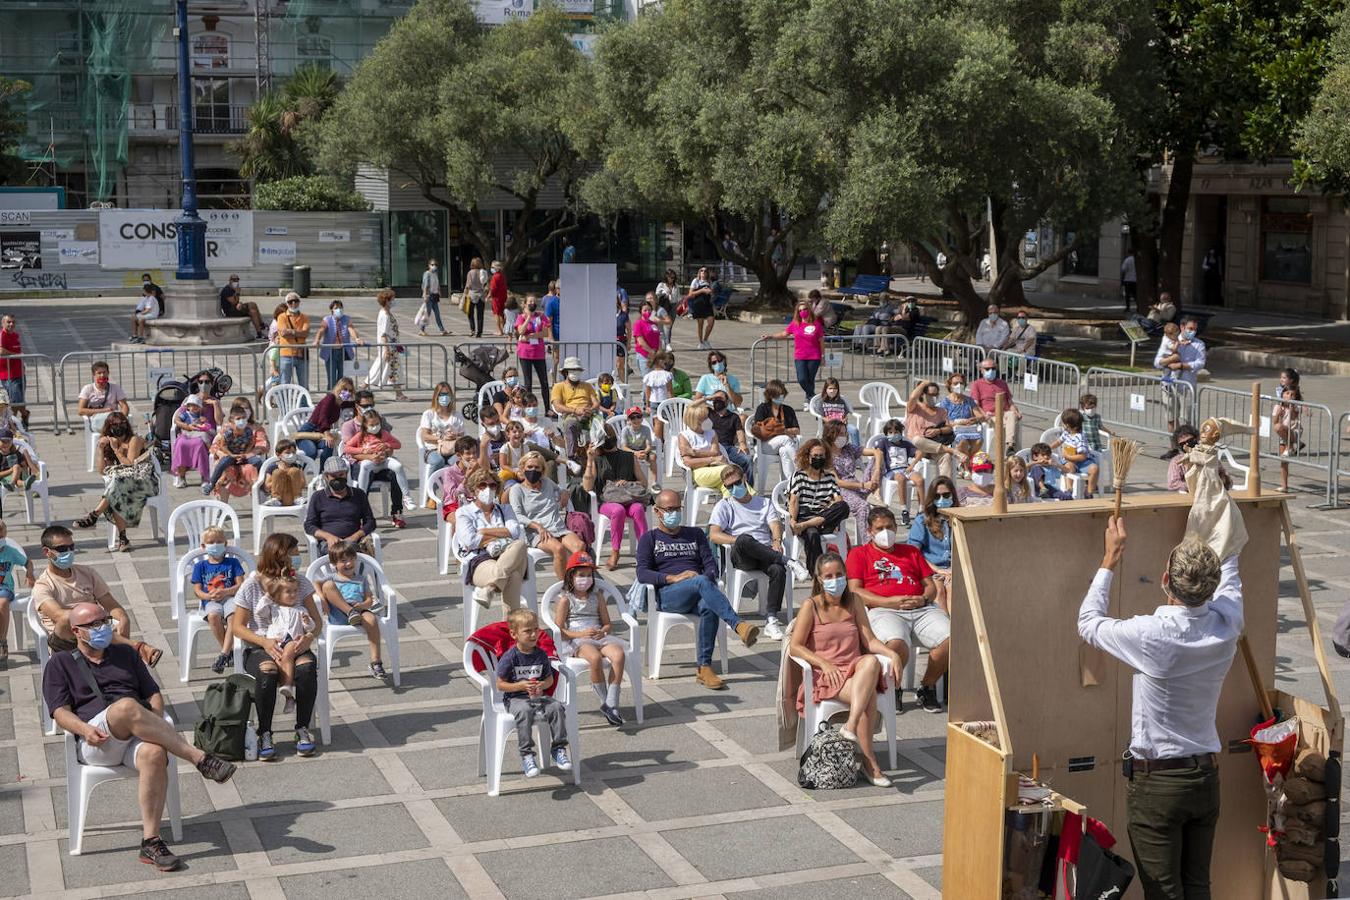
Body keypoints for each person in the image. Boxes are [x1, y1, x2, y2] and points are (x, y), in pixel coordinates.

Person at [1078, 518, 1240, 898]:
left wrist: (1110, 558)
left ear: (1165, 579)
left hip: (1159, 784)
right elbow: (1231, 563)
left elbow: (1088, 624)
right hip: (1203, 778)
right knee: (1198, 886)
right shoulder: (1228, 624)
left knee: (1164, 892)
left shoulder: (1153, 634)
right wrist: (1213, 504)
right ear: (1212, 588)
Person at [44, 601, 237, 870]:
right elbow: (59, 712)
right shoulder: (60, 664)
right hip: (96, 741)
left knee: (155, 752)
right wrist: (84, 729)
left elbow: (153, 695)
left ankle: (151, 841)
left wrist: (155, 722)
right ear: (77, 631)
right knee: (125, 707)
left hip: (134, 736)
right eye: (95, 624)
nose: (103, 628)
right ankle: (199, 758)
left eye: (105, 621)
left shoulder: (125, 654)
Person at [790, 552, 902, 786]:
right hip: (827, 676)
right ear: (819, 579)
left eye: (839, 574)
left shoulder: (854, 602)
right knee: (869, 694)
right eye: (829, 576)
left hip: (854, 671)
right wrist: (823, 663)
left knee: (870, 661)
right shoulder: (811, 606)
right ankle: (869, 762)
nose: (835, 580)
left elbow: (869, 640)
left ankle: (850, 727)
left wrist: (891, 653)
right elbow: (795, 647)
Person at [636, 489, 760, 690]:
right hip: (669, 595)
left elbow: (711, 565)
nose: (674, 513)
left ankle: (704, 667)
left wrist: (706, 578)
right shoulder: (649, 539)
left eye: (678, 508)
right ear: (657, 512)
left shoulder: (695, 534)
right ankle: (738, 625)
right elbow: (643, 573)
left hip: (698, 590)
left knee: (708, 605)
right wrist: (673, 578)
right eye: (669, 509)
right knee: (701, 581)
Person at [230, 533, 323, 760]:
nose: (298, 558)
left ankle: (302, 728)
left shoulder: (299, 582)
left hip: (295, 643)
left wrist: (309, 637)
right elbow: (237, 627)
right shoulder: (251, 586)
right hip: (260, 645)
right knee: (267, 671)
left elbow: (317, 620)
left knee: (307, 668)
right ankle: (265, 733)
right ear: (279, 556)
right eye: (294, 554)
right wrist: (264, 642)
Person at [847, 506, 948, 713]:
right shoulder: (859, 554)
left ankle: (927, 686)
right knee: (896, 643)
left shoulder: (911, 552)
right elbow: (855, 590)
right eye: (880, 528)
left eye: (890, 527)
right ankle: (894, 688)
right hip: (883, 609)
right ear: (870, 532)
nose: (886, 532)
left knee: (952, 639)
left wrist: (922, 599)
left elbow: (929, 584)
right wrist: (889, 602)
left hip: (920, 608)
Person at [33, 525, 162, 665]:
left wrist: (122, 618)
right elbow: (59, 616)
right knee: (68, 619)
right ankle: (135, 647)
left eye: (72, 547)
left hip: (98, 627)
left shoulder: (87, 573)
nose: (69, 552)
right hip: (66, 641)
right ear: (47, 552)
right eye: (63, 549)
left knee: (119, 620)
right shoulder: (43, 585)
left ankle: (123, 664)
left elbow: (111, 605)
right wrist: (93, 621)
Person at [709, 464, 805, 641]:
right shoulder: (724, 505)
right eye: (728, 486)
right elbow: (714, 535)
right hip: (742, 555)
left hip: (765, 553)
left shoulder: (764, 503)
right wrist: (736, 539)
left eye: (736, 483)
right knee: (744, 539)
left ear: (745, 478)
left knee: (777, 570)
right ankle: (788, 561)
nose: (733, 489)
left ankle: (771, 619)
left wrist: (776, 541)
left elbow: (775, 525)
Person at [553, 551, 627, 726]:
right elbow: (559, 629)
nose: (585, 579)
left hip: (599, 636)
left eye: (588, 575)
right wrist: (580, 635)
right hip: (578, 639)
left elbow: (608, 623)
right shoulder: (566, 600)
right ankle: (605, 702)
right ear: (571, 576)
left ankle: (612, 701)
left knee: (618, 655)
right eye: (581, 575)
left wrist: (603, 631)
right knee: (594, 658)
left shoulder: (597, 596)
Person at [496, 608, 572, 778]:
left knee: (556, 707)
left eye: (536, 629)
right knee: (524, 711)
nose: (533, 634)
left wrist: (541, 685)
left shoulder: (541, 655)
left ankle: (559, 748)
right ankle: (527, 754)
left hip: (539, 696)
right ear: (514, 634)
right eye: (527, 631)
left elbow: (550, 680)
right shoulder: (510, 657)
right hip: (515, 698)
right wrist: (520, 686)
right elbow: (500, 685)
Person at [72, 412, 157, 551]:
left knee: (116, 487)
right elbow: (102, 471)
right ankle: (123, 540)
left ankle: (94, 516)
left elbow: (129, 464)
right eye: (115, 425)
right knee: (116, 490)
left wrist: (116, 450)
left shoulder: (134, 440)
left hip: (145, 483)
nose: (119, 427)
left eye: (122, 423)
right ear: (109, 427)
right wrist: (101, 449)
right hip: (124, 485)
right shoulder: (110, 442)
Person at [456, 469, 530, 613]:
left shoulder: (505, 509)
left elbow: (515, 533)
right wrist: (502, 535)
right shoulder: (464, 512)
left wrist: (483, 532)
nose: (488, 489)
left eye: (492, 485)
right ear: (473, 490)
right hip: (480, 560)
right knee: (513, 576)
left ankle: (490, 588)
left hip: (506, 556)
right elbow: (470, 542)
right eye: (482, 485)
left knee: (520, 544)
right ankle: (510, 629)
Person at [315, 539, 388, 679]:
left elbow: (369, 600)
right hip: (339, 614)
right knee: (328, 586)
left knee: (372, 619)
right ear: (334, 564)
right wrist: (322, 598)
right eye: (343, 561)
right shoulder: (332, 577)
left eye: (351, 559)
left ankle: (376, 662)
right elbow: (315, 583)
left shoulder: (361, 579)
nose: (348, 564)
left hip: (359, 613)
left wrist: (362, 605)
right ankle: (350, 612)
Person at [509, 451, 586, 580]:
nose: (533, 470)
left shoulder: (547, 482)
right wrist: (537, 526)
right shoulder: (517, 489)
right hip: (537, 532)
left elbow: (560, 489)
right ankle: (565, 587)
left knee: (580, 546)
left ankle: (576, 580)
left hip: (557, 527)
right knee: (559, 549)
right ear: (523, 468)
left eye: (537, 467)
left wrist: (564, 493)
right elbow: (517, 515)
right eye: (529, 467)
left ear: (542, 470)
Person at [582, 425, 650, 570]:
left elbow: (643, 483)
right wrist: (589, 460)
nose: (608, 440)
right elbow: (587, 487)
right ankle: (615, 551)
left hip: (629, 498)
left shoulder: (628, 456)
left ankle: (645, 552)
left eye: (610, 436)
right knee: (618, 510)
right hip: (607, 501)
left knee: (638, 509)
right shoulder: (598, 459)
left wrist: (628, 482)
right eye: (605, 438)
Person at [787, 438, 852, 573]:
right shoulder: (799, 476)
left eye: (821, 456)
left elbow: (838, 500)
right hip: (805, 518)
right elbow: (794, 500)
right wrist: (793, 520)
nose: (818, 458)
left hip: (824, 519)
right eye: (815, 456)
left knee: (843, 506)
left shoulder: (829, 477)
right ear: (807, 457)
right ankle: (817, 573)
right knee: (812, 534)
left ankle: (810, 524)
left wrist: (828, 508)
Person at [191, 527, 245, 674]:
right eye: (211, 542)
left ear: (225, 543)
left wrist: (225, 592)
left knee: (234, 616)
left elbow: (241, 585)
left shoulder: (232, 563)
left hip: (231, 597)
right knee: (213, 616)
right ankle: (228, 652)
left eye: (219, 541)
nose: (215, 544)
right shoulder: (200, 566)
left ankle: (223, 655)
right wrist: (208, 596)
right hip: (211, 601)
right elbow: (197, 590)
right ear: (203, 546)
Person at [344, 407, 417, 514]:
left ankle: (407, 497)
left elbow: (398, 444)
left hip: (384, 461)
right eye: (372, 425)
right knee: (364, 466)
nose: (375, 427)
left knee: (398, 466)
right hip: (370, 461)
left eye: (377, 424)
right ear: (365, 425)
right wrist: (364, 450)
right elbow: (347, 448)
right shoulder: (361, 435)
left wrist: (386, 445)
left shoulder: (384, 434)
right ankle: (362, 496)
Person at [305, 456, 378, 558]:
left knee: (351, 550)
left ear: (346, 474)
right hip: (328, 543)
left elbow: (370, 522)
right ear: (326, 477)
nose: (338, 478)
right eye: (334, 476)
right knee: (340, 552)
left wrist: (355, 536)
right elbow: (309, 525)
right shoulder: (318, 497)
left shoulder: (358, 494)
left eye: (341, 474)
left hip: (354, 541)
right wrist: (328, 537)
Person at [762, 297, 826, 405]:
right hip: (800, 356)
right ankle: (813, 396)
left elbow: (821, 341)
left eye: (804, 309)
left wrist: (823, 356)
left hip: (814, 356)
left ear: (809, 310)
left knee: (810, 380)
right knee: (802, 379)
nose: (803, 312)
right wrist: (771, 336)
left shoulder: (816, 324)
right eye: (800, 310)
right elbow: (784, 334)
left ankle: (808, 400)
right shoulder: (795, 324)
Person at [824, 420, 881, 538]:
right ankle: (867, 541)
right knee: (863, 506)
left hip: (858, 484)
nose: (843, 437)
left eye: (844, 433)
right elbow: (837, 482)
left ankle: (876, 494)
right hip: (841, 490)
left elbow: (877, 452)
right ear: (831, 434)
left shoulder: (848, 448)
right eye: (839, 434)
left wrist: (876, 472)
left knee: (878, 459)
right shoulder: (826, 454)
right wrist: (863, 486)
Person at [908, 478, 958, 612]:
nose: (942, 499)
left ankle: (954, 629)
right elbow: (914, 552)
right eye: (937, 496)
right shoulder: (922, 520)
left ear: (953, 495)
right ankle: (945, 629)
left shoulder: (960, 519)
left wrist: (954, 570)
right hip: (930, 569)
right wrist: (937, 569)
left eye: (946, 495)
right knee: (938, 590)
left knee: (953, 590)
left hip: (955, 569)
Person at [204, 400, 269, 500]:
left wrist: (246, 454)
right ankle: (214, 488)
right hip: (230, 457)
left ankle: (262, 485)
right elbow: (218, 445)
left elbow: (261, 445)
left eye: (246, 409)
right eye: (240, 410)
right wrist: (225, 454)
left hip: (247, 457)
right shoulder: (227, 429)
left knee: (255, 464)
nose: (243, 413)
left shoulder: (255, 428)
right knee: (223, 466)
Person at [292, 377, 355, 471]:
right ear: (339, 388)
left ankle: (324, 474)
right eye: (345, 389)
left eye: (350, 390)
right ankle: (300, 472)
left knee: (328, 446)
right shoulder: (330, 398)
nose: (347, 392)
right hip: (309, 432)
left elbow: (352, 404)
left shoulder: (340, 403)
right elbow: (323, 416)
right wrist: (327, 433)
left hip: (321, 435)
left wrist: (362, 401)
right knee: (311, 452)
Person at [867, 418, 922, 526]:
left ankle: (921, 509)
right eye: (890, 432)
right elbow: (878, 454)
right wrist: (878, 469)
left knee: (920, 479)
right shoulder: (884, 442)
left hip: (906, 469)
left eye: (896, 432)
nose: (893, 434)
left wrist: (913, 464)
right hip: (891, 471)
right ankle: (904, 510)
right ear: (886, 434)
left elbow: (920, 452)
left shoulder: (905, 444)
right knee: (900, 478)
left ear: (900, 433)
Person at [905, 380, 959, 479]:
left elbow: (949, 429)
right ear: (923, 394)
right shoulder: (915, 408)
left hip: (934, 448)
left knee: (946, 456)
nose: (933, 397)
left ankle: (945, 488)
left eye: (935, 394)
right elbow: (913, 397)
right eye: (930, 394)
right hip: (917, 449)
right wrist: (924, 384)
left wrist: (938, 431)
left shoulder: (941, 411)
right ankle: (951, 450)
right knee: (917, 440)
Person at [364, 289, 410, 402]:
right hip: (389, 346)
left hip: (393, 346)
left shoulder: (387, 313)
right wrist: (386, 349)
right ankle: (363, 386)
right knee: (383, 367)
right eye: (393, 299)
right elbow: (383, 334)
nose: (394, 300)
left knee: (392, 369)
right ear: (387, 301)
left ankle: (399, 393)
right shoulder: (384, 315)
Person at [551, 356, 601, 458]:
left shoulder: (587, 386)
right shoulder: (558, 386)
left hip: (588, 414)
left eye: (577, 370)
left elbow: (596, 402)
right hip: (571, 414)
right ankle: (572, 456)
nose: (576, 372)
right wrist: (575, 410)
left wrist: (590, 410)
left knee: (604, 426)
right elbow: (557, 406)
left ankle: (601, 455)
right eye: (573, 370)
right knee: (571, 424)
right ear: (566, 372)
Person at [751, 379, 801, 480]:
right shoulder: (762, 408)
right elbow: (758, 429)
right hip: (764, 444)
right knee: (785, 439)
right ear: (770, 395)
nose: (780, 397)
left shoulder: (788, 410)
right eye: (777, 395)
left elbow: (797, 430)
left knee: (784, 451)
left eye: (782, 394)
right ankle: (800, 465)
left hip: (782, 446)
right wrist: (784, 432)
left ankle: (789, 483)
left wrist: (781, 431)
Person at [969, 357, 1022, 453]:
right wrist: (983, 415)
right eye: (988, 369)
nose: (991, 371)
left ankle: (1010, 446)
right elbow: (975, 405)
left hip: (1005, 413)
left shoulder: (1002, 383)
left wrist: (1015, 410)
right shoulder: (977, 384)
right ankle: (1011, 452)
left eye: (993, 368)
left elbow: (1010, 402)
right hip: (990, 415)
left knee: (1013, 416)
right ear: (981, 370)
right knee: (1013, 425)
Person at [678, 400, 731, 492]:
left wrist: (695, 453)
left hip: (715, 469)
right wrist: (712, 459)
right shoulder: (684, 436)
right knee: (732, 472)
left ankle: (745, 502)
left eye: (707, 417)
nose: (708, 420)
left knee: (730, 485)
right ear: (694, 421)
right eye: (704, 418)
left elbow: (716, 452)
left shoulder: (712, 433)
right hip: (697, 473)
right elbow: (689, 462)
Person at [939, 373, 985, 474]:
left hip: (969, 429)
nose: (958, 386)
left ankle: (965, 463)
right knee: (962, 441)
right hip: (954, 430)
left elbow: (980, 415)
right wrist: (958, 422)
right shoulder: (946, 402)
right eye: (955, 383)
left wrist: (974, 419)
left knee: (979, 440)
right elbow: (943, 421)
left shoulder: (968, 400)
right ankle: (967, 468)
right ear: (950, 385)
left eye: (961, 383)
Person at [0, 519, 32, 665]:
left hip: (4, 588)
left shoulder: (10, 552)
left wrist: (30, 574)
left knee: (2, 604)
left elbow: (27, 562)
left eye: (1, 537)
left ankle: (2, 642)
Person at [419, 381, 465, 483]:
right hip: (433, 449)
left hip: (452, 449)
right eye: (441, 394)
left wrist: (454, 436)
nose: (444, 397)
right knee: (438, 461)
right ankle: (429, 493)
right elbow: (425, 436)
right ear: (436, 396)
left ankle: (455, 493)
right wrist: (441, 437)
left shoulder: (456, 415)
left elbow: (462, 437)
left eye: (447, 394)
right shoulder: (429, 414)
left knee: (459, 462)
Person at [315, 300, 363, 391]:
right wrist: (317, 340)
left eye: (340, 308)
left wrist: (357, 338)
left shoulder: (347, 319)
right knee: (332, 378)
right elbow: (321, 330)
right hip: (331, 352)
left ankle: (343, 399)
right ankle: (331, 399)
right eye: (336, 308)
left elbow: (351, 329)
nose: (339, 310)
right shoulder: (327, 319)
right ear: (331, 310)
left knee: (343, 379)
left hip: (343, 352)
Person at [706, 389, 752, 484]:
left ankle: (748, 489)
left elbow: (739, 432)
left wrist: (743, 444)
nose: (718, 401)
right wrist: (708, 398)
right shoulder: (708, 413)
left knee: (747, 460)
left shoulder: (734, 417)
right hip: (711, 448)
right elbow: (691, 407)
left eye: (720, 398)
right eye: (716, 398)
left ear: (727, 402)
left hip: (728, 448)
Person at [170, 394, 213, 487]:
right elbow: (177, 420)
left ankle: (204, 476)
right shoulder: (185, 413)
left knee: (201, 442)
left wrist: (203, 421)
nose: (194, 408)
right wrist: (187, 426)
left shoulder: (200, 415)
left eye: (196, 406)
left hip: (197, 433)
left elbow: (207, 425)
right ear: (188, 407)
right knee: (180, 444)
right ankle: (181, 477)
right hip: (187, 432)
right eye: (192, 406)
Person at [514, 293, 551, 397]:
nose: (532, 303)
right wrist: (528, 318)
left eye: (534, 301)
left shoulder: (541, 316)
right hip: (525, 353)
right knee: (528, 383)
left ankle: (547, 408)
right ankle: (528, 406)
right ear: (525, 304)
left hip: (538, 352)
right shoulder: (521, 317)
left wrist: (530, 336)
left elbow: (545, 333)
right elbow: (521, 331)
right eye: (530, 301)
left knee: (544, 382)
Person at [78, 361, 130, 435]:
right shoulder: (88, 389)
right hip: (97, 420)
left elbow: (124, 406)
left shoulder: (115, 388)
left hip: (114, 420)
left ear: (108, 373)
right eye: (99, 373)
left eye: (104, 372)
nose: (102, 375)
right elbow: (80, 411)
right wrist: (104, 410)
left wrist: (121, 418)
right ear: (94, 375)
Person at [1058, 408, 1100, 496]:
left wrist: (1067, 456)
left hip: (1083, 462)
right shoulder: (1066, 433)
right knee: (1069, 467)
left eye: (1064, 423)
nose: (1063, 425)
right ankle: (1069, 489)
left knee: (1094, 468)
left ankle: (1089, 492)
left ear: (1069, 425)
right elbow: (1058, 441)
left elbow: (1082, 457)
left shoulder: (1080, 438)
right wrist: (1048, 447)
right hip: (1069, 462)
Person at [274, 292, 312, 388]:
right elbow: (283, 333)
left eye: (296, 301)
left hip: (301, 353)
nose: (293, 303)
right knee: (285, 383)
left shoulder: (305, 317)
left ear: (299, 302)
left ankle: (303, 403)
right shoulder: (281, 317)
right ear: (287, 304)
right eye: (290, 302)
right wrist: (299, 333)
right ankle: (283, 403)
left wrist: (291, 332)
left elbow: (306, 333)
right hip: (286, 354)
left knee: (304, 384)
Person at [816, 377, 861, 447]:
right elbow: (820, 417)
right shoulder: (821, 402)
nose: (832, 391)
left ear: (838, 390)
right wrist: (830, 421)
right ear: (826, 389)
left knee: (854, 430)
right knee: (835, 435)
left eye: (835, 389)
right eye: (830, 388)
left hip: (842, 425)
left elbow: (846, 414)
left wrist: (845, 419)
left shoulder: (841, 401)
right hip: (829, 426)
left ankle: (856, 450)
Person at [0, 315, 27, 430]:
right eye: (8, 322)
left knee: (19, 399)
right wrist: (16, 355)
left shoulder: (16, 335)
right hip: (8, 375)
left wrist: (22, 366)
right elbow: (1, 350)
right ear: (3, 323)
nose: (11, 324)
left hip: (20, 372)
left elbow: (18, 351)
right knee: (16, 400)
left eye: (13, 322)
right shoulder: (2, 335)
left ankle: (20, 419)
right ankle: (17, 422)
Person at [218, 273, 265, 338]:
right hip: (230, 311)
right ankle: (259, 331)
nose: (236, 281)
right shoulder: (227, 290)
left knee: (253, 304)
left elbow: (237, 302)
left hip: (236, 308)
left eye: (237, 280)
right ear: (230, 280)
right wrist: (237, 293)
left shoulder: (235, 289)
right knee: (252, 312)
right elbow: (234, 302)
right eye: (234, 280)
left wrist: (239, 301)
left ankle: (261, 325)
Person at [264, 439, 308, 506]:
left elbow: (303, 484)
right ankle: (275, 499)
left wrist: (293, 478)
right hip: (280, 498)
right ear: (278, 454)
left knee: (294, 471)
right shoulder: (272, 467)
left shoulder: (298, 466)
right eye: (287, 453)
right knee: (278, 473)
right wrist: (280, 479)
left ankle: (297, 498)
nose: (291, 455)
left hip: (292, 497)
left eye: (293, 452)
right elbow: (267, 486)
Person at [633, 296, 663, 378]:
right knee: (648, 381)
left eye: (649, 310)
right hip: (645, 356)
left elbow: (658, 337)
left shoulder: (653, 323)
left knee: (656, 379)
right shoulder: (638, 323)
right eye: (645, 310)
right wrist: (651, 351)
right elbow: (641, 342)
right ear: (640, 311)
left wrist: (659, 350)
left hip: (656, 355)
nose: (647, 312)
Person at [0, 427, 35, 494]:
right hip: (4, 479)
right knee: (16, 466)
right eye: (3, 441)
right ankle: (13, 483)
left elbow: (24, 465)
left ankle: (24, 483)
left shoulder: (15, 453)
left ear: (12, 442)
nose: (6, 444)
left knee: (18, 479)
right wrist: (10, 471)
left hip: (17, 476)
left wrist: (24, 472)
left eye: (8, 441)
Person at [419, 258, 448, 336]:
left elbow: (437, 284)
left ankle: (442, 330)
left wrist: (439, 291)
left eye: (435, 265)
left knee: (437, 314)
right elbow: (425, 285)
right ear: (429, 265)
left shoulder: (435, 274)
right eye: (432, 264)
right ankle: (422, 329)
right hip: (429, 296)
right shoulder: (427, 273)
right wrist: (425, 295)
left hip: (435, 296)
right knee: (427, 314)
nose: (434, 266)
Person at [654, 269, 680, 349]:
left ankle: (667, 342)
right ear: (666, 277)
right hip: (664, 305)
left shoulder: (676, 285)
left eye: (673, 277)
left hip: (673, 306)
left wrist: (679, 305)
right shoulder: (661, 285)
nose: (671, 279)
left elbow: (678, 297)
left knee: (670, 325)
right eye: (670, 277)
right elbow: (657, 294)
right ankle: (667, 344)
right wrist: (664, 293)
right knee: (665, 325)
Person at [464, 257, 489, 338]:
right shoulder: (483, 272)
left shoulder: (470, 273)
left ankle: (472, 329)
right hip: (481, 296)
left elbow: (468, 285)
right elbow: (485, 284)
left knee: (470, 313)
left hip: (472, 295)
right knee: (480, 315)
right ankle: (479, 332)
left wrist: (465, 293)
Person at [543, 281, 562, 381]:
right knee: (557, 358)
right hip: (557, 334)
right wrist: (551, 337)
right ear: (557, 289)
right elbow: (548, 322)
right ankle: (554, 380)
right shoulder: (551, 302)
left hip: (569, 334)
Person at [488, 259, 509, 337]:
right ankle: (503, 328)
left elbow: (493, 288)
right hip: (503, 296)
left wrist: (489, 295)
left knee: (497, 313)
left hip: (496, 297)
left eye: (492, 267)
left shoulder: (495, 276)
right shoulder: (502, 275)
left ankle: (499, 330)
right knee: (501, 313)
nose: (491, 268)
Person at [614, 289, 631, 383]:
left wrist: (628, 343)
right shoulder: (605, 314)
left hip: (620, 342)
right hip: (608, 342)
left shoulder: (623, 315)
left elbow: (629, 329)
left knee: (620, 365)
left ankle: (624, 385)